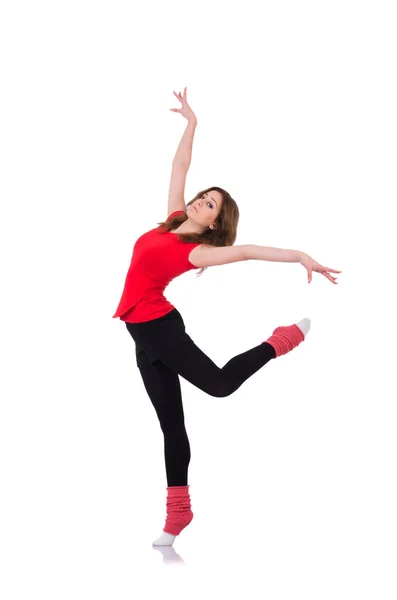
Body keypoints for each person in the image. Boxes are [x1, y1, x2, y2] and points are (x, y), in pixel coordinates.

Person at [112, 88, 342, 547]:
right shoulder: (172, 220)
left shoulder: (196, 251)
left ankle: (280, 341)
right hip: (142, 335)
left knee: (218, 385)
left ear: (216, 222)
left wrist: (299, 255)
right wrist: (192, 125)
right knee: (171, 426)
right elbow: (179, 168)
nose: (201, 202)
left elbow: (247, 252)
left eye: (211, 205)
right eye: (203, 197)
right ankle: (179, 514)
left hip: (160, 329)